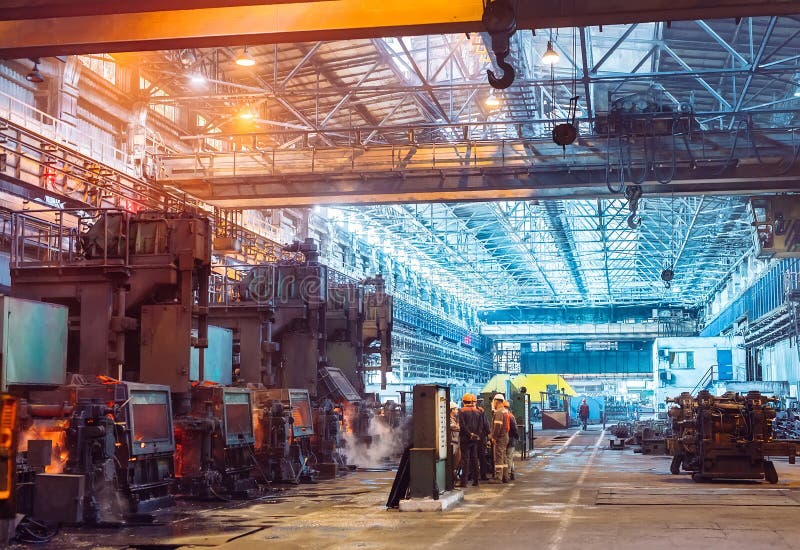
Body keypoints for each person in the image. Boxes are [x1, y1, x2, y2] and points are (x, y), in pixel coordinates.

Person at [458, 394, 485, 487]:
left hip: (465, 439)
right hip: (475, 440)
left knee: (465, 460)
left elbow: (462, 425)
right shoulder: (479, 411)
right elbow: (481, 425)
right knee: (474, 459)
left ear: (463, 402)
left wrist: (470, 434)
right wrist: (476, 435)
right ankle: (476, 480)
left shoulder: (462, 411)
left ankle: (463, 482)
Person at [490, 393, 510, 483]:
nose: (493, 403)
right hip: (505, 436)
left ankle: (498, 478)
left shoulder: (499, 412)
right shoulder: (505, 411)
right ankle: (505, 476)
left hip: (500, 438)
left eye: (493, 401)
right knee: (503, 457)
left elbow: (497, 426)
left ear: (496, 401)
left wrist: (494, 437)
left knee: (498, 458)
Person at [476, 396, 490, 481]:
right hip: (481, 437)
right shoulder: (481, 411)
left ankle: (472, 475)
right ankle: (483, 475)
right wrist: (489, 435)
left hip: (470, 437)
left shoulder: (463, 410)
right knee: (482, 456)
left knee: (472, 457)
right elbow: (485, 424)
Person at [504, 400, 518, 481]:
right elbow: (515, 428)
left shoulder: (505, 415)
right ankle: (511, 473)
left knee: (508, 457)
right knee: (510, 457)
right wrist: (517, 436)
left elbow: (514, 428)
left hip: (507, 439)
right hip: (511, 439)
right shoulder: (511, 415)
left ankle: (508, 474)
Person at [449, 401, 461, 480]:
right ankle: (453, 476)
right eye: (456, 409)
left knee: (457, 460)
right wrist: (458, 427)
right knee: (453, 461)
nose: (457, 411)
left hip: (456, 442)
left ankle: (454, 474)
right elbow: (455, 427)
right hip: (452, 443)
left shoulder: (454, 419)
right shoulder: (448, 419)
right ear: (452, 410)